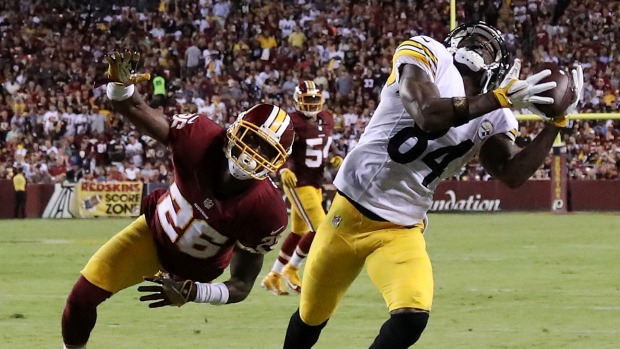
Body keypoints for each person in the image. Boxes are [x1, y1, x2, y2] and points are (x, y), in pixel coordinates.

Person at [282, 21, 583, 349]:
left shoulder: (497, 113)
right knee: (311, 316)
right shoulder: (429, 54)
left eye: (487, 46)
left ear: (499, 66)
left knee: (412, 316)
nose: (478, 46)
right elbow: (428, 114)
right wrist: (497, 99)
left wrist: (557, 123)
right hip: (347, 216)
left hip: (401, 228)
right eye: (473, 39)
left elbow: (512, 173)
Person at [61, 50, 295, 349]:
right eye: (251, 140)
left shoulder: (267, 212)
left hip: (197, 269)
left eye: (265, 150)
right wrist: (121, 86)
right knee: (80, 300)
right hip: (152, 235)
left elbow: (241, 285)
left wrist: (193, 292)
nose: (253, 154)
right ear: (234, 130)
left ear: (277, 161)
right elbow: (133, 106)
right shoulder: (198, 138)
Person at [261, 80, 343, 295]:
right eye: (308, 100)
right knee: (321, 228)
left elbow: (327, 140)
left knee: (298, 232)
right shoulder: (291, 122)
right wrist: (283, 169)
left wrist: (335, 155)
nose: (312, 103)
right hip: (298, 182)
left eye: (315, 99)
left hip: (315, 182)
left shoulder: (326, 118)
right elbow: (282, 150)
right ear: (298, 100)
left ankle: (274, 276)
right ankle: (292, 269)